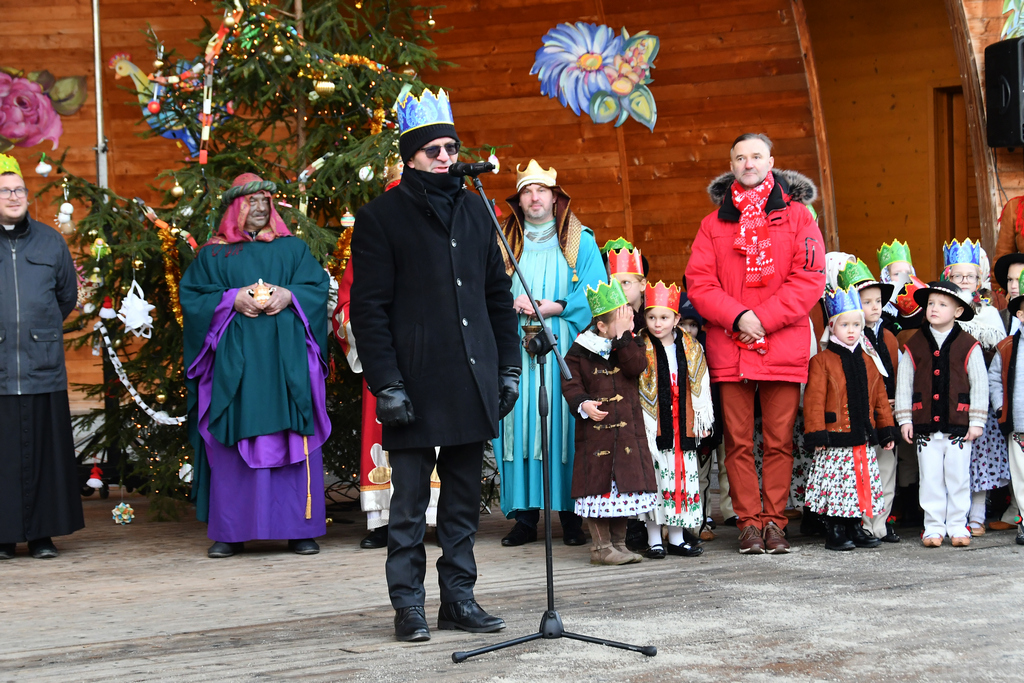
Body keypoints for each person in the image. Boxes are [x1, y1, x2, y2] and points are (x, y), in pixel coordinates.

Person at [350, 88, 521, 642]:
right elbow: (368, 310)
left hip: (471, 377)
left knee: (464, 504)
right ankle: (408, 606)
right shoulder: (380, 217)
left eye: (451, 148)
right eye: (434, 150)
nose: (446, 157)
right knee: (408, 507)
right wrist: (387, 383)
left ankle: (459, 599)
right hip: (415, 384)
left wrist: (509, 367)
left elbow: (499, 295)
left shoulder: (477, 209)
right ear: (410, 155)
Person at [685, 133, 826, 554]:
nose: (748, 164)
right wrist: (738, 317)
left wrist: (760, 319)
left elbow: (809, 279)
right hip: (731, 344)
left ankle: (775, 522)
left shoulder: (800, 217)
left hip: (781, 342)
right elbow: (700, 282)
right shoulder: (712, 224)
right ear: (732, 165)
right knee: (739, 442)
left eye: (756, 156)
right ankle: (749, 522)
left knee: (781, 441)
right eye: (740, 157)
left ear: (771, 162)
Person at [181, 173, 330, 559]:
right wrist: (230, 299)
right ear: (234, 208)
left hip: (287, 367)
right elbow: (193, 298)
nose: (260, 210)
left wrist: (289, 294)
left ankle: (299, 528)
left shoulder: (293, 249)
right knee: (232, 442)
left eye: (266, 202)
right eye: (251, 203)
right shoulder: (213, 255)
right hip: (237, 372)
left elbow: (315, 289)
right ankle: (231, 532)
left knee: (291, 436)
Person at [495, 159, 605, 548]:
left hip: (565, 347)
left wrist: (554, 307)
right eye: (527, 191)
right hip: (514, 346)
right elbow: (485, 287)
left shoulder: (580, 239)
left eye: (542, 190)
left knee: (564, 423)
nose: (535, 196)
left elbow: (596, 292)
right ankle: (524, 517)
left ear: (556, 198)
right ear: (519, 201)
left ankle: (571, 516)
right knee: (518, 424)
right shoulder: (503, 238)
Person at [331, 163, 441, 550]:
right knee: (386, 433)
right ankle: (382, 520)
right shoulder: (372, 236)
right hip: (386, 355)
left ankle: (438, 517)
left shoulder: (440, 232)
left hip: (434, 352)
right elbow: (348, 302)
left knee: (440, 429)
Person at [0, 154, 81, 561]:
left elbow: (66, 296)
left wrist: (40, 329)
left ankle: (42, 537)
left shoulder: (50, 240)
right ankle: (2, 537)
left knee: (45, 454)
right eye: (4, 190)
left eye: (19, 190)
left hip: (41, 365)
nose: (14, 196)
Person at [562, 279, 657, 565]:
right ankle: (601, 548)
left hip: (627, 433)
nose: (628, 319)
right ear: (601, 326)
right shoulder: (580, 349)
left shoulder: (631, 343)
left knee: (622, 490)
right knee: (598, 489)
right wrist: (582, 403)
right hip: (596, 436)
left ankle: (619, 544)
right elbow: (570, 382)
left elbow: (635, 367)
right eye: (620, 318)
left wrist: (624, 337)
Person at [895, 281, 988, 547]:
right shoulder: (914, 345)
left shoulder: (969, 345)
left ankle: (959, 524)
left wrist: (977, 420)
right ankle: (933, 526)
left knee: (958, 476)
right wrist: (904, 419)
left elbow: (979, 384)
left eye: (942, 304)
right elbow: (905, 382)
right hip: (925, 425)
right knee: (930, 477)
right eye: (931, 304)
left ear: (958, 312)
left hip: (959, 424)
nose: (934, 309)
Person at [803, 286, 896, 551]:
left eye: (857, 324)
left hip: (862, 437)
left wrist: (886, 429)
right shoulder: (822, 361)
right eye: (845, 324)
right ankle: (835, 528)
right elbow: (814, 400)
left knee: (859, 482)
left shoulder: (869, 359)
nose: (852, 330)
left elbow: (879, 397)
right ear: (832, 327)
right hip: (835, 438)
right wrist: (817, 433)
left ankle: (855, 526)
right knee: (837, 485)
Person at [636, 281, 710, 558]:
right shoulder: (639, 346)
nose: (657, 323)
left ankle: (677, 538)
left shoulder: (691, 347)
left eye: (664, 317)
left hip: (682, 427)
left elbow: (701, 381)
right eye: (652, 317)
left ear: (677, 318)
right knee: (655, 481)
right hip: (653, 427)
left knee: (680, 481)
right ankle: (654, 539)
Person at [942, 239, 1009, 536]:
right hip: (952, 394)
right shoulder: (945, 310)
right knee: (953, 460)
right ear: (948, 279)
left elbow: (1000, 348)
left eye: (970, 275)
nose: (964, 280)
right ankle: (951, 518)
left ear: (979, 279)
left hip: (978, 397)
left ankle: (977, 517)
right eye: (957, 276)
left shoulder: (990, 313)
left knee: (979, 459)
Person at [837, 258, 901, 542]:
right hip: (864, 414)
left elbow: (896, 373)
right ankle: (865, 522)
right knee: (864, 470)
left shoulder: (889, 337)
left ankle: (881, 523)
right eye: (866, 301)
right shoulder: (851, 340)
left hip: (888, 409)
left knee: (887, 467)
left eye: (878, 301)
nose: (874, 307)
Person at [989, 270, 1024, 545]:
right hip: (1019, 425)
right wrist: (1000, 407)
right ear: (1020, 315)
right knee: (1021, 477)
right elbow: (994, 379)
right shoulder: (1008, 346)